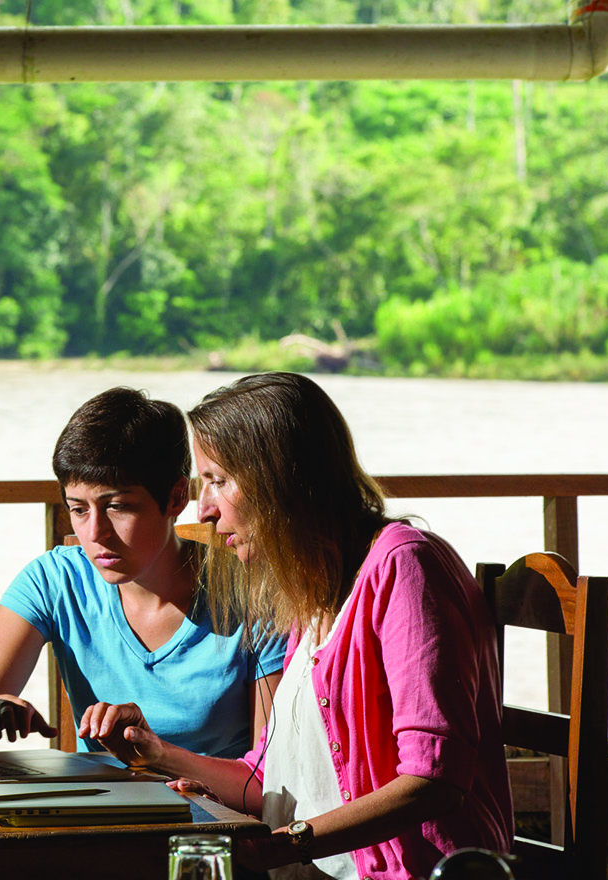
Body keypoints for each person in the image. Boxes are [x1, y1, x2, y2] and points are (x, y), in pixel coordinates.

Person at [92, 372, 513, 880]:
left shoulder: (405, 566)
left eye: (219, 481)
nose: (204, 509)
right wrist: (158, 754)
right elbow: (268, 782)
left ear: (281, 481)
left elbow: (434, 780)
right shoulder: (312, 597)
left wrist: (286, 844)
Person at [0, 386, 285, 762]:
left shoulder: (253, 598)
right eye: (79, 509)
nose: (95, 534)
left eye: (118, 507)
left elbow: (269, 771)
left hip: (213, 815)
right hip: (100, 813)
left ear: (176, 497)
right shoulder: (56, 581)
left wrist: (159, 755)